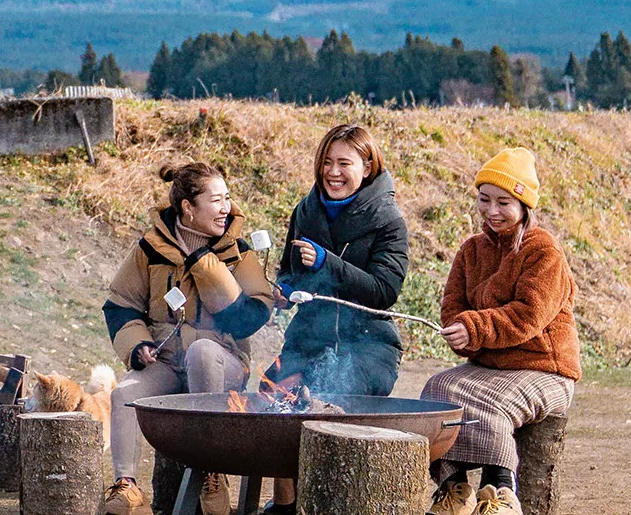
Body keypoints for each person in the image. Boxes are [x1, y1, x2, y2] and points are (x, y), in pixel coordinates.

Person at [102, 161, 275, 515]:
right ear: (188, 208)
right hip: (166, 362)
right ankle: (127, 487)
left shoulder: (238, 251)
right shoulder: (150, 249)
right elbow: (119, 305)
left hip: (222, 363)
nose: (227, 207)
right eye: (217, 200)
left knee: (200, 351)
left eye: (228, 198)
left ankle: (213, 472)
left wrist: (203, 262)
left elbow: (251, 317)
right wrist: (138, 346)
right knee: (124, 394)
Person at [421, 148, 581, 515]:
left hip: (545, 368)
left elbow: (528, 315)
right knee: (436, 389)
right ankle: (454, 489)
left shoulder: (544, 251)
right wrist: (459, 327)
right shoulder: (471, 251)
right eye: (484, 199)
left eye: (503, 202)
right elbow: (453, 304)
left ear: (524, 205)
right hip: (492, 365)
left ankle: (501, 492)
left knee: (494, 403)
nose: (492, 211)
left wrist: (473, 328)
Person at [265, 123, 409, 515]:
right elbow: (290, 271)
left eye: (344, 163)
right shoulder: (306, 210)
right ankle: (284, 504)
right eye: (327, 162)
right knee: (268, 398)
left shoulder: (388, 220)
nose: (333, 172)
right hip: (307, 341)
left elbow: (384, 291)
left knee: (322, 401)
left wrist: (331, 263)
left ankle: (325, 503)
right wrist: (283, 290)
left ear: (367, 166)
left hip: (367, 347)